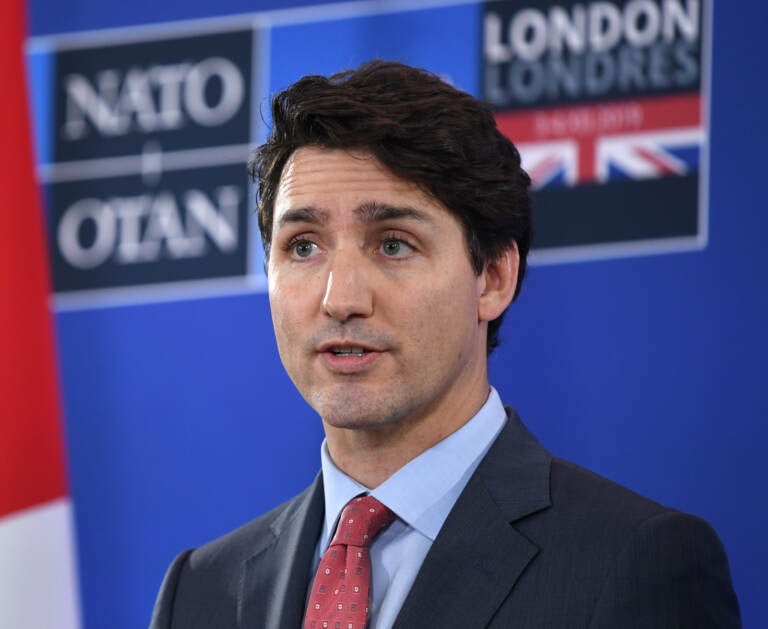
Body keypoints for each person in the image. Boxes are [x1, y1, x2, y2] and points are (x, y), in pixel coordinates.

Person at [150, 60, 740, 628]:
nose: (340, 298)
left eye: (393, 243)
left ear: (493, 279)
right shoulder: (201, 590)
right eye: (303, 246)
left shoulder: (634, 563)